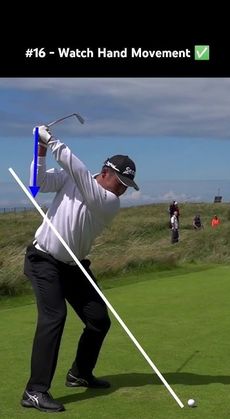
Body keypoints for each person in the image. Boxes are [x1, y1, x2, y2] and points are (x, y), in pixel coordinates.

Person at [21, 125, 139, 413]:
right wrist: (40, 149)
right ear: (106, 172)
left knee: (99, 320)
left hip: (74, 266)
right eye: (120, 181)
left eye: (127, 185)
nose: (122, 189)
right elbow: (36, 183)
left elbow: (79, 173)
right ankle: (35, 391)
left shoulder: (109, 203)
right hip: (43, 259)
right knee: (54, 317)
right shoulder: (73, 180)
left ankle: (79, 374)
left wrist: (53, 141)